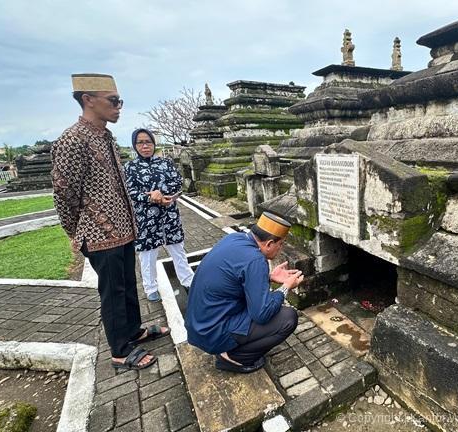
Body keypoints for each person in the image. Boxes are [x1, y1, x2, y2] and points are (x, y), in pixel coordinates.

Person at [52, 73, 169, 371]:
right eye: (113, 101)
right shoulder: (72, 140)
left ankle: (133, 331)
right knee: (113, 292)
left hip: (123, 229)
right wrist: (75, 232)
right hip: (98, 234)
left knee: (129, 285)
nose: (119, 107)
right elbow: (64, 194)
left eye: (120, 101)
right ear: (88, 100)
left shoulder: (106, 137)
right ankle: (119, 350)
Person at [185, 212, 304, 373]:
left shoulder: (234, 239)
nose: (280, 248)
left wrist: (268, 277)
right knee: (288, 318)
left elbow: (235, 278)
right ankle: (235, 358)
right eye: (281, 244)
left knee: (260, 302)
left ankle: (231, 348)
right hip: (213, 332)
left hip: (200, 324)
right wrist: (286, 287)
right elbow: (261, 313)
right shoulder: (256, 260)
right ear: (269, 243)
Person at [124, 128, 194, 302]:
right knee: (148, 253)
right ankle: (150, 287)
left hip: (169, 213)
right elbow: (129, 191)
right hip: (146, 218)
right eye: (140, 142)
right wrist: (151, 198)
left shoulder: (165, 163)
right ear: (134, 145)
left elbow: (177, 182)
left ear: (154, 143)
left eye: (148, 141)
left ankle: (187, 279)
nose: (145, 145)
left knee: (177, 247)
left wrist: (163, 196)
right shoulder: (129, 168)